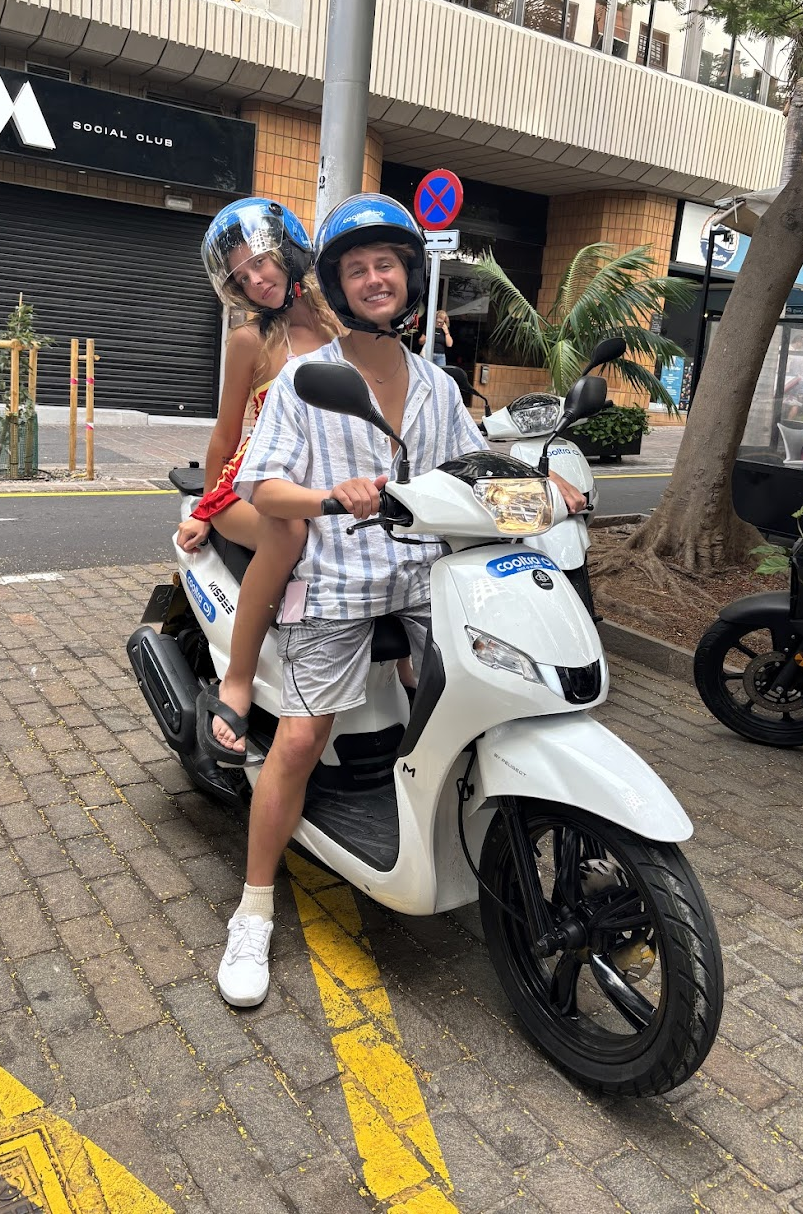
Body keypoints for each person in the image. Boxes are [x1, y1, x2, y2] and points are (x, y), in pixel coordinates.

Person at [214, 193, 588, 1007]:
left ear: (409, 276)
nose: (374, 278)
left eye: (386, 264)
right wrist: (326, 497)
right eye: (357, 269)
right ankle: (251, 910)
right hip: (339, 581)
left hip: (428, 578)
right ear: (339, 287)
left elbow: (472, 474)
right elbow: (258, 485)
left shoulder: (436, 384)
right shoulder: (308, 383)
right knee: (303, 737)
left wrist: (543, 486)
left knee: (484, 699)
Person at [174, 198, 339, 762]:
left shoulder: (344, 325)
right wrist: (201, 506)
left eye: (261, 263)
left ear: (288, 251)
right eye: (241, 276)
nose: (255, 280)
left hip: (322, 488)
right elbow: (225, 436)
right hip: (249, 486)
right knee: (288, 530)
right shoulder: (250, 340)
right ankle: (238, 681)